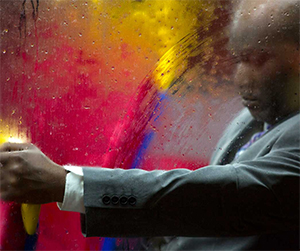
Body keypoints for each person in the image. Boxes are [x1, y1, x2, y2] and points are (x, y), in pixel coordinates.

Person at [0, 0, 299, 250]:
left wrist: (65, 184)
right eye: (238, 59)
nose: (241, 78)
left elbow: (226, 197)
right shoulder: (252, 119)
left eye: (259, 59)